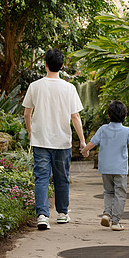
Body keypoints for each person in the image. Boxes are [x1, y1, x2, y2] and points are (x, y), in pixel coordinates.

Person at [23, 48, 86, 230]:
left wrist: (30, 131)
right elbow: (75, 116)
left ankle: (42, 215)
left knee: (41, 178)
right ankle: (62, 213)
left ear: (45, 64)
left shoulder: (35, 86)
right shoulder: (69, 88)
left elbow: (27, 112)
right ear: (62, 66)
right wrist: (82, 141)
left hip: (40, 139)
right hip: (62, 140)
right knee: (62, 178)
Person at [81, 101, 129, 231]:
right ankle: (116, 222)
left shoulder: (103, 129)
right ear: (124, 116)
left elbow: (92, 143)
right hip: (120, 169)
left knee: (108, 192)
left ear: (108, 115)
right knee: (120, 194)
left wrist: (84, 151)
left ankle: (107, 213)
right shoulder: (126, 131)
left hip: (105, 168)